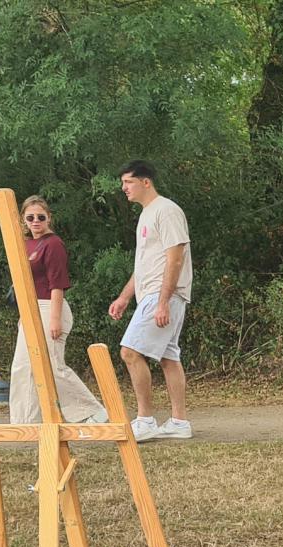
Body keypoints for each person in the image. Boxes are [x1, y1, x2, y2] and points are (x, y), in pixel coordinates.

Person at [106, 160, 193, 441]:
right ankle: (179, 423)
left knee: (129, 351)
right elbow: (145, 264)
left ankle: (145, 419)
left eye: (128, 182)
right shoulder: (146, 214)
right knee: (169, 357)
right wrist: (124, 297)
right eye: (122, 184)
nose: (124, 188)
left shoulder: (166, 211)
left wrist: (163, 301)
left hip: (162, 294)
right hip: (152, 293)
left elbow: (175, 257)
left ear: (146, 182)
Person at [10, 195, 107, 425]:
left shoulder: (53, 244)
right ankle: (24, 421)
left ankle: (92, 411)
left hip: (50, 306)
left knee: (52, 365)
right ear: (24, 219)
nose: (36, 221)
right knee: (23, 365)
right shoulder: (25, 243)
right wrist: (24, 314)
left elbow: (57, 284)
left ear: (49, 218)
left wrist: (55, 320)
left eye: (40, 217)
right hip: (31, 308)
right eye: (30, 217)